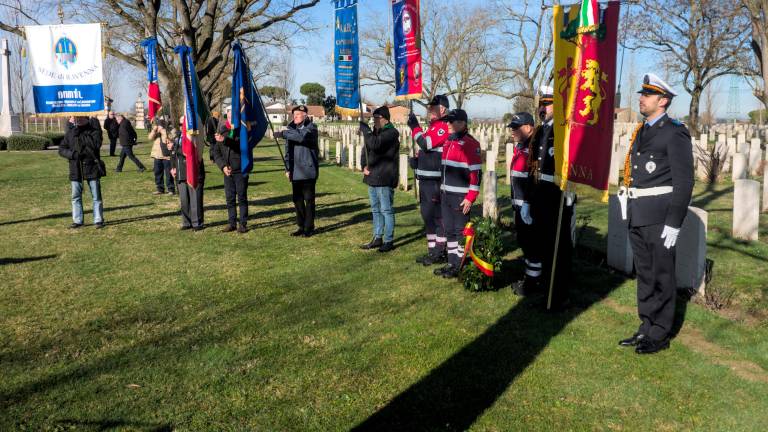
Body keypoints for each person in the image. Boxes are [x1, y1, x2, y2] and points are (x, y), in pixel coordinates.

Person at [618, 73, 694, 355]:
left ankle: (660, 332)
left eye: (647, 95)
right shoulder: (642, 130)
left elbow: (684, 182)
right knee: (646, 274)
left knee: (662, 275)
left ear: (663, 101)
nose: (641, 98)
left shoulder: (674, 132)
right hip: (638, 213)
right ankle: (647, 325)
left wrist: (674, 222)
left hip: (660, 217)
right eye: (642, 93)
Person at [524, 86, 575, 309]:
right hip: (539, 193)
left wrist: (572, 189)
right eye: (541, 104)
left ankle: (559, 295)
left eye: (547, 104)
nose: (542, 108)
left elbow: (574, 161)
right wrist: (528, 200)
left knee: (559, 247)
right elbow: (532, 167)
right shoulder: (539, 131)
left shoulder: (564, 129)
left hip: (557, 194)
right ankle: (547, 289)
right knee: (544, 244)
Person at [433, 109, 482, 278]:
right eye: (447, 121)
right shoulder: (449, 141)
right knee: (449, 230)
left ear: (462, 123)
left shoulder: (470, 144)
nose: (447, 124)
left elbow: (476, 173)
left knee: (460, 231)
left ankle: (459, 265)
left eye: (451, 121)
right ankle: (452, 262)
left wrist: (470, 198)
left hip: (460, 197)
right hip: (446, 194)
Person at [407, 94, 450, 266]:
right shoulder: (432, 127)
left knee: (437, 217)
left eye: (433, 107)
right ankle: (432, 250)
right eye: (429, 107)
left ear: (442, 109)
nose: (429, 110)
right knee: (427, 216)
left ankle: (440, 251)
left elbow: (426, 144)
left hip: (435, 181)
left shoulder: (443, 127)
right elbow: (426, 151)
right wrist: (417, 163)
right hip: (425, 179)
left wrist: (415, 128)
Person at [359, 106, 400, 252]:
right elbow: (366, 150)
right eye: (374, 118)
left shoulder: (391, 133)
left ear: (385, 119)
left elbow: (375, 144)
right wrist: (363, 165)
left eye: (378, 118)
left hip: (384, 176)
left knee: (386, 210)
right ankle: (377, 237)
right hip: (372, 176)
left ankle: (388, 240)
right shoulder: (375, 132)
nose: (375, 120)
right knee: (375, 209)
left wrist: (366, 131)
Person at [506, 112, 539, 291]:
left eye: (516, 128)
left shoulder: (534, 148)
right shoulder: (520, 147)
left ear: (528, 127)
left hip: (529, 207)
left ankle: (533, 282)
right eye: (511, 128)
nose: (512, 131)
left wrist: (528, 203)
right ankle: (529, 276)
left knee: (532, 245)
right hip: (519, 206)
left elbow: (534, 180)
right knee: (525, 243)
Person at [277, 105, 320, 237]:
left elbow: (301, 137)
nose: (294, 117)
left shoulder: (311, 128)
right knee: (297, 200)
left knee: (309, 200)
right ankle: (301, 226)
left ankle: (309, 227)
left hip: (308, 170)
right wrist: (287, 168)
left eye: (297, 114)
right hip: (295, 170)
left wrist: (283, 134)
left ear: (305, 116)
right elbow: (287, 151)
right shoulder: (291, 129)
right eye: (293, 115)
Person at [58, 116, 105, 229]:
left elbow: (95, 145)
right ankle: (77, 220)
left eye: (80, 117)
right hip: (76, 168)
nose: (77, 119)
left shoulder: (94, 131)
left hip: (91, 167)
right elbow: (61, 149)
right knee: (76, 196)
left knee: (96, 196)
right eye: (75, 117)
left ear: (86, 118)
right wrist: (72, 154)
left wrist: (81, 134)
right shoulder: (71, 133)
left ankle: (98, 219)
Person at [212, 106, 249, 233]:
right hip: (227, 171)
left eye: (232, 116)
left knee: (242, 197)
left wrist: (225, 140)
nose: (230, 118)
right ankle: (231, 223)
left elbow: (240, 147)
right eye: (228, 116)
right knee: (230, 198)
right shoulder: (222, 131)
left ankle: (243, 224)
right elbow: (216, 153)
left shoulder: (242, 131)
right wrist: (223, 166)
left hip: (240, 170)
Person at [170, 117, 206, 231]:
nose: (181, 126)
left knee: (195, 198)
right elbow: (173, 154)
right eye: (180, 124)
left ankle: (197, 223)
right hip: (180, 172)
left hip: (193, 171)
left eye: (183, 124)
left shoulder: (195, 137)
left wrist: (175, 148)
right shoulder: (177, 137)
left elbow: (189, 151)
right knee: (184, 199)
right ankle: (186, 222)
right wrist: (173, 167)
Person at [148, 118, 175, 195]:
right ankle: (160, 188)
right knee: (158, 173)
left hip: (167, 156)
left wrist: (163, 131)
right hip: (157, 155)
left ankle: (171, 189)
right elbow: (150, 138)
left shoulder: (171, 130)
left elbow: (168, 139)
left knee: (168, 174)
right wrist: (154, 130)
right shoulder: (156, 131)